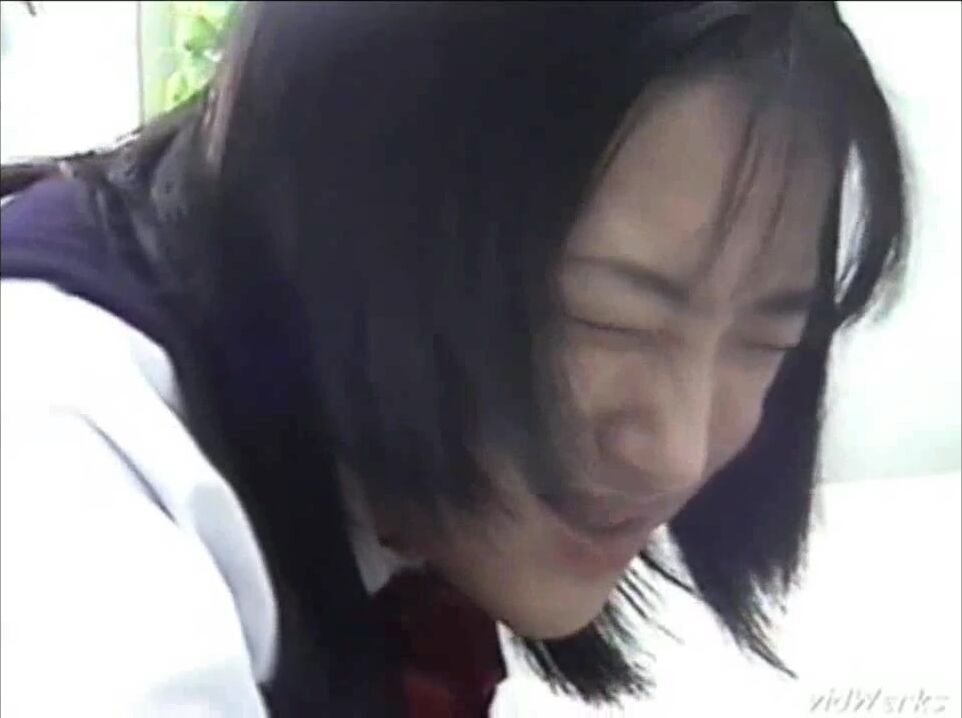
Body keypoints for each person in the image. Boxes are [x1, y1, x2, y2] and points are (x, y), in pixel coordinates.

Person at [0, 2, 908, 716]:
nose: (680, 451)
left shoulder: (382, 484)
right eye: (608, 320)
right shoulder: (61, 465)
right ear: (347, 200)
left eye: (769, 339)